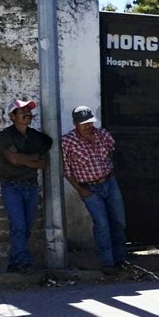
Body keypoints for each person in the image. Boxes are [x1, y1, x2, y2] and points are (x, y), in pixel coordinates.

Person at [61, 105, 128, 275]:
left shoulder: (103, 134)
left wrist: (110, 172)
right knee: (102, 224)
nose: (88, 126)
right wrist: (79, 190)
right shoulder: (68, 142)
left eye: (90, 122)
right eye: (84, 123)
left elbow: (111, 152)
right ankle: (107, 262)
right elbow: (67, 170)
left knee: (119, 221)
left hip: (109, 183)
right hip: (89, 188)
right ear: (75, 123)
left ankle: (121, 258)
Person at [0, 99, 52, 273]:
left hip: (31, 186)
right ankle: (24, 263)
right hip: (11, 187)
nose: (27, 113)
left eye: (29, 110)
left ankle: (14, 262)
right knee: (18, 225)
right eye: (22, 111)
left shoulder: (36, 137)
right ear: (12, 116)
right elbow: (13, 159)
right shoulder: (5, 136)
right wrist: (31, 158)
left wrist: (23, 159)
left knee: (26, 226)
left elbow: (42, 163)